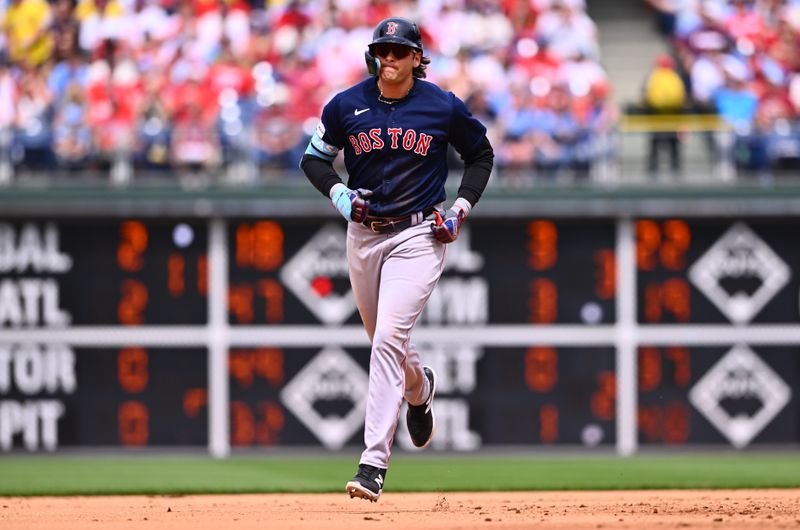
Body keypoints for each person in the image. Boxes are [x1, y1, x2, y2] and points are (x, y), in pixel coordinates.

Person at [300, 17, 493, 503]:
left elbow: (481, 154)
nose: (388, 58)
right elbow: (313, 158)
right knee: (387, 339)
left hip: (419, 234)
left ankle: (373, 464)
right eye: (382, 50)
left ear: (416, 58)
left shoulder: (441, 106)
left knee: (386, 338)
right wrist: (338, 193)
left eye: (398, 51)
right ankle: (419, 388)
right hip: (363, 235)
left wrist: (461, 207)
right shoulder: (346, 105)